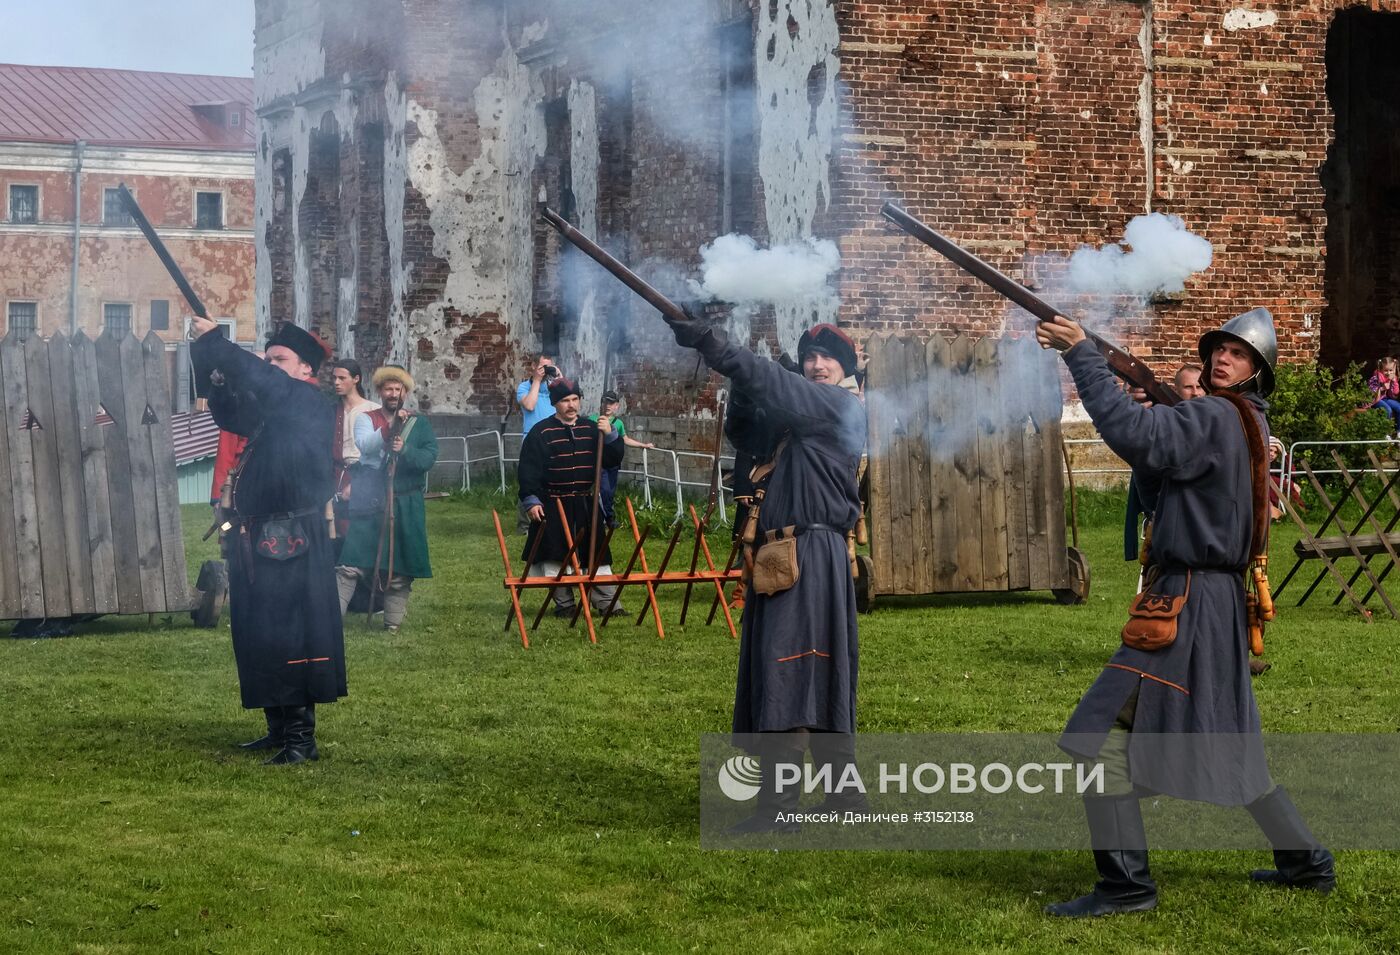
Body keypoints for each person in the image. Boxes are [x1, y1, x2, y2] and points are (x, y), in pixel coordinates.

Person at [1036, 306, 1335, 917]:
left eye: (1239, 354)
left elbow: (1135, 437)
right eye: (1219, 350)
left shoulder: (1218, 415)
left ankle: (1126, 888)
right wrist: (1149, 413)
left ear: (1258, 371)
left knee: (1099, 739)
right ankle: (1306, 861)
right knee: (1231, 744)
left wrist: (1082, 358)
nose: (1223, 359)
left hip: (1188, 600)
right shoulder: (1239, 422)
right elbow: (1158, 483)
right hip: (1211, 599)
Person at [667, 317, 867, 833]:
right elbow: (745, 428)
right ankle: (845, 799)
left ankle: (778, 811)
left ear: (846, 368)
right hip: (789, 554)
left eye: (828, 359)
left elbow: (776, 386)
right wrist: (740, 379)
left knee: (790, 670)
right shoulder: (801, 412)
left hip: (810, 553)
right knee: (813, 671)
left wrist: (716, 346)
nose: (816, 365)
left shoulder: (840, 406)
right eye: (810, 358)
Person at [190, 317, 344, 765]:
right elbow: (227, 411)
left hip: (292, 537)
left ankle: (301, 738)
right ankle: (277, 729)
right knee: (260, 633)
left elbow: (260, 380)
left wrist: (217, 341)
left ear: (305, 372)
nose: (269, 365)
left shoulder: (306, 402)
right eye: (269, 357)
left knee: (290, 636)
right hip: (260, 538)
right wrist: (212, 362)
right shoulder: (274, 409)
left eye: (280, 360)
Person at [335, 366, 439, 633]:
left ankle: (392, 624)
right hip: (371, 499)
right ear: (380, 392)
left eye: (398, 389)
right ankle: (331, 621)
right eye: (388, 389)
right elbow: (365, 445)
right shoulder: (365, 418)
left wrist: (405, 449)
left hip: (406, 502)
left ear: (405, 392)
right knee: (351, 564)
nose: (393, 394)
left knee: (401, 568)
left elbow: (428, 459)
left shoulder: (420, 424)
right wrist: (390, 429)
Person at [518, 377, 627, 617]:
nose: (571, 405)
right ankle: (565, 604)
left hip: (585, 504)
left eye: (575, 399)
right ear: (556, 403)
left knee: (596, 553)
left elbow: (612, 460)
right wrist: (531, 500)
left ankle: (607, 603)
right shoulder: (541, 432)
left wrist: (609, 436)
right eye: (565, 400)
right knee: (557, 555)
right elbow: (528, 470)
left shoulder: (591, 428)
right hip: (553, 503)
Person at [329, 359, 380, 547]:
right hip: (336, 474)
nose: (336, 382)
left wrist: (360, 482)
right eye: (334, 378)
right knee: (335, 528)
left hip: (364, 473)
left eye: (342, 378)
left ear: (356, 379)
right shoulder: (332, 411)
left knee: (361, 527)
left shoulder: (373, 410)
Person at [588, 390, 654, 525]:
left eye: (611, 403)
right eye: (605, 402)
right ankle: (605, 517)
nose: (607, 406)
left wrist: (643, 445)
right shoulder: (593, 419)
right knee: (603, 490)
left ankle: (607, 516)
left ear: (616, 406)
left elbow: (625, 439)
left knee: (609, 491)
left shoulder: (618, 423)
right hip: (598, 462)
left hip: (612, 462)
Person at [516, 353, 561, 435]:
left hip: (553, 434)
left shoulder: (553, 386)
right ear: (534, 366)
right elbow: (530, 406)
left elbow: (566, 401)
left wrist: (559, 377)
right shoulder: (524, 387)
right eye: (544, 367)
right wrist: (537, 380)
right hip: (533, 435)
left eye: (549, 367)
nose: (546, 370)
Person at [1367, 356, 1400, 434]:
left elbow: (1394, 394)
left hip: (1385, 398)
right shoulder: (1376, 378)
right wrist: (1382, 388)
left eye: (1391, 370)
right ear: (1381, 370)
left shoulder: (1392, 378)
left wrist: (1394, 381)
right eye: (1386, 370)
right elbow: (1370, 393)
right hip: (1375, 400)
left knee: (1399, 407)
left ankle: (1398, 431)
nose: (1388, 373)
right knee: (1388, 410)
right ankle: (1386, 432)